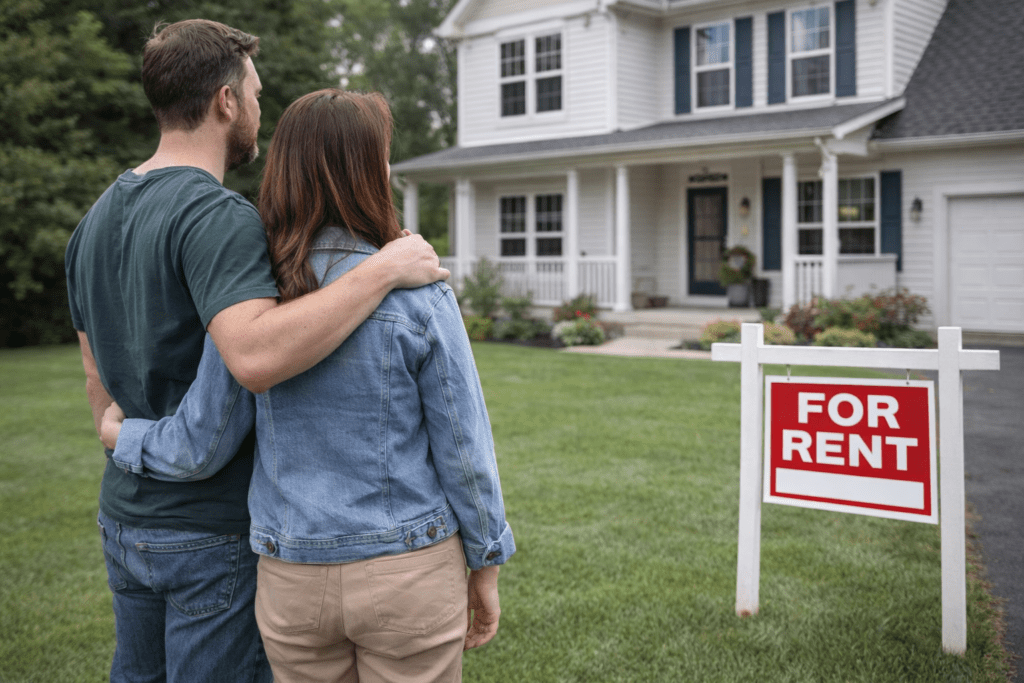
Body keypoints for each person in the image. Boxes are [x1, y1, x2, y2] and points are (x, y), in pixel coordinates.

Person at [64, 21, 447, 683]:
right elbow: (256, 356)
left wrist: (118, 435)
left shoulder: (94, 219)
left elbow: (96, 370)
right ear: (225, 101)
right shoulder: (218, 216)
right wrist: (384, 270)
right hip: (208, 533)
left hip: (125, 518)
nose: (260, 111)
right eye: (258, 95)